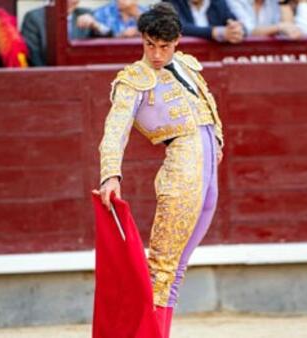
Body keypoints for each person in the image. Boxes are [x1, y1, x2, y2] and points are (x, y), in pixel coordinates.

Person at [94, 3, 223, 337]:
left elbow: (208, 105)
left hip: (208, 172)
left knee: (177, 267)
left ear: (178, 40)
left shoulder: (187, 66)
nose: (155, 54)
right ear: (142, 39)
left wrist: (218, 141)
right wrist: (111, 174)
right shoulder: (133, 79)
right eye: (149, 44)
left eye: (164, 46)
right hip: (182, 168)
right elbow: (115, 130)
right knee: (162, 268)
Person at [21, 0, 111, 67]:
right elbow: (33, 56)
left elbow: (109, 40)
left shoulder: (86, 13)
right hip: (47, 77)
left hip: (81, 76)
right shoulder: (34, 17)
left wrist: (96, 25)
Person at [165, 0, 245, 43]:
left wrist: (236, 30)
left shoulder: (218, 3)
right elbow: (179, 26)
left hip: (214, 60)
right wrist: (214, 32)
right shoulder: (172, 2)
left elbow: (233, 21)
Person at [228, 0, 302, 38]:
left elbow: (290, 29)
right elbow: (249, 31)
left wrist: (283, 2)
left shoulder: (274, 2)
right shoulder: (236, 1)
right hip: (240, 55)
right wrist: (279, 27)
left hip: (269, 55)